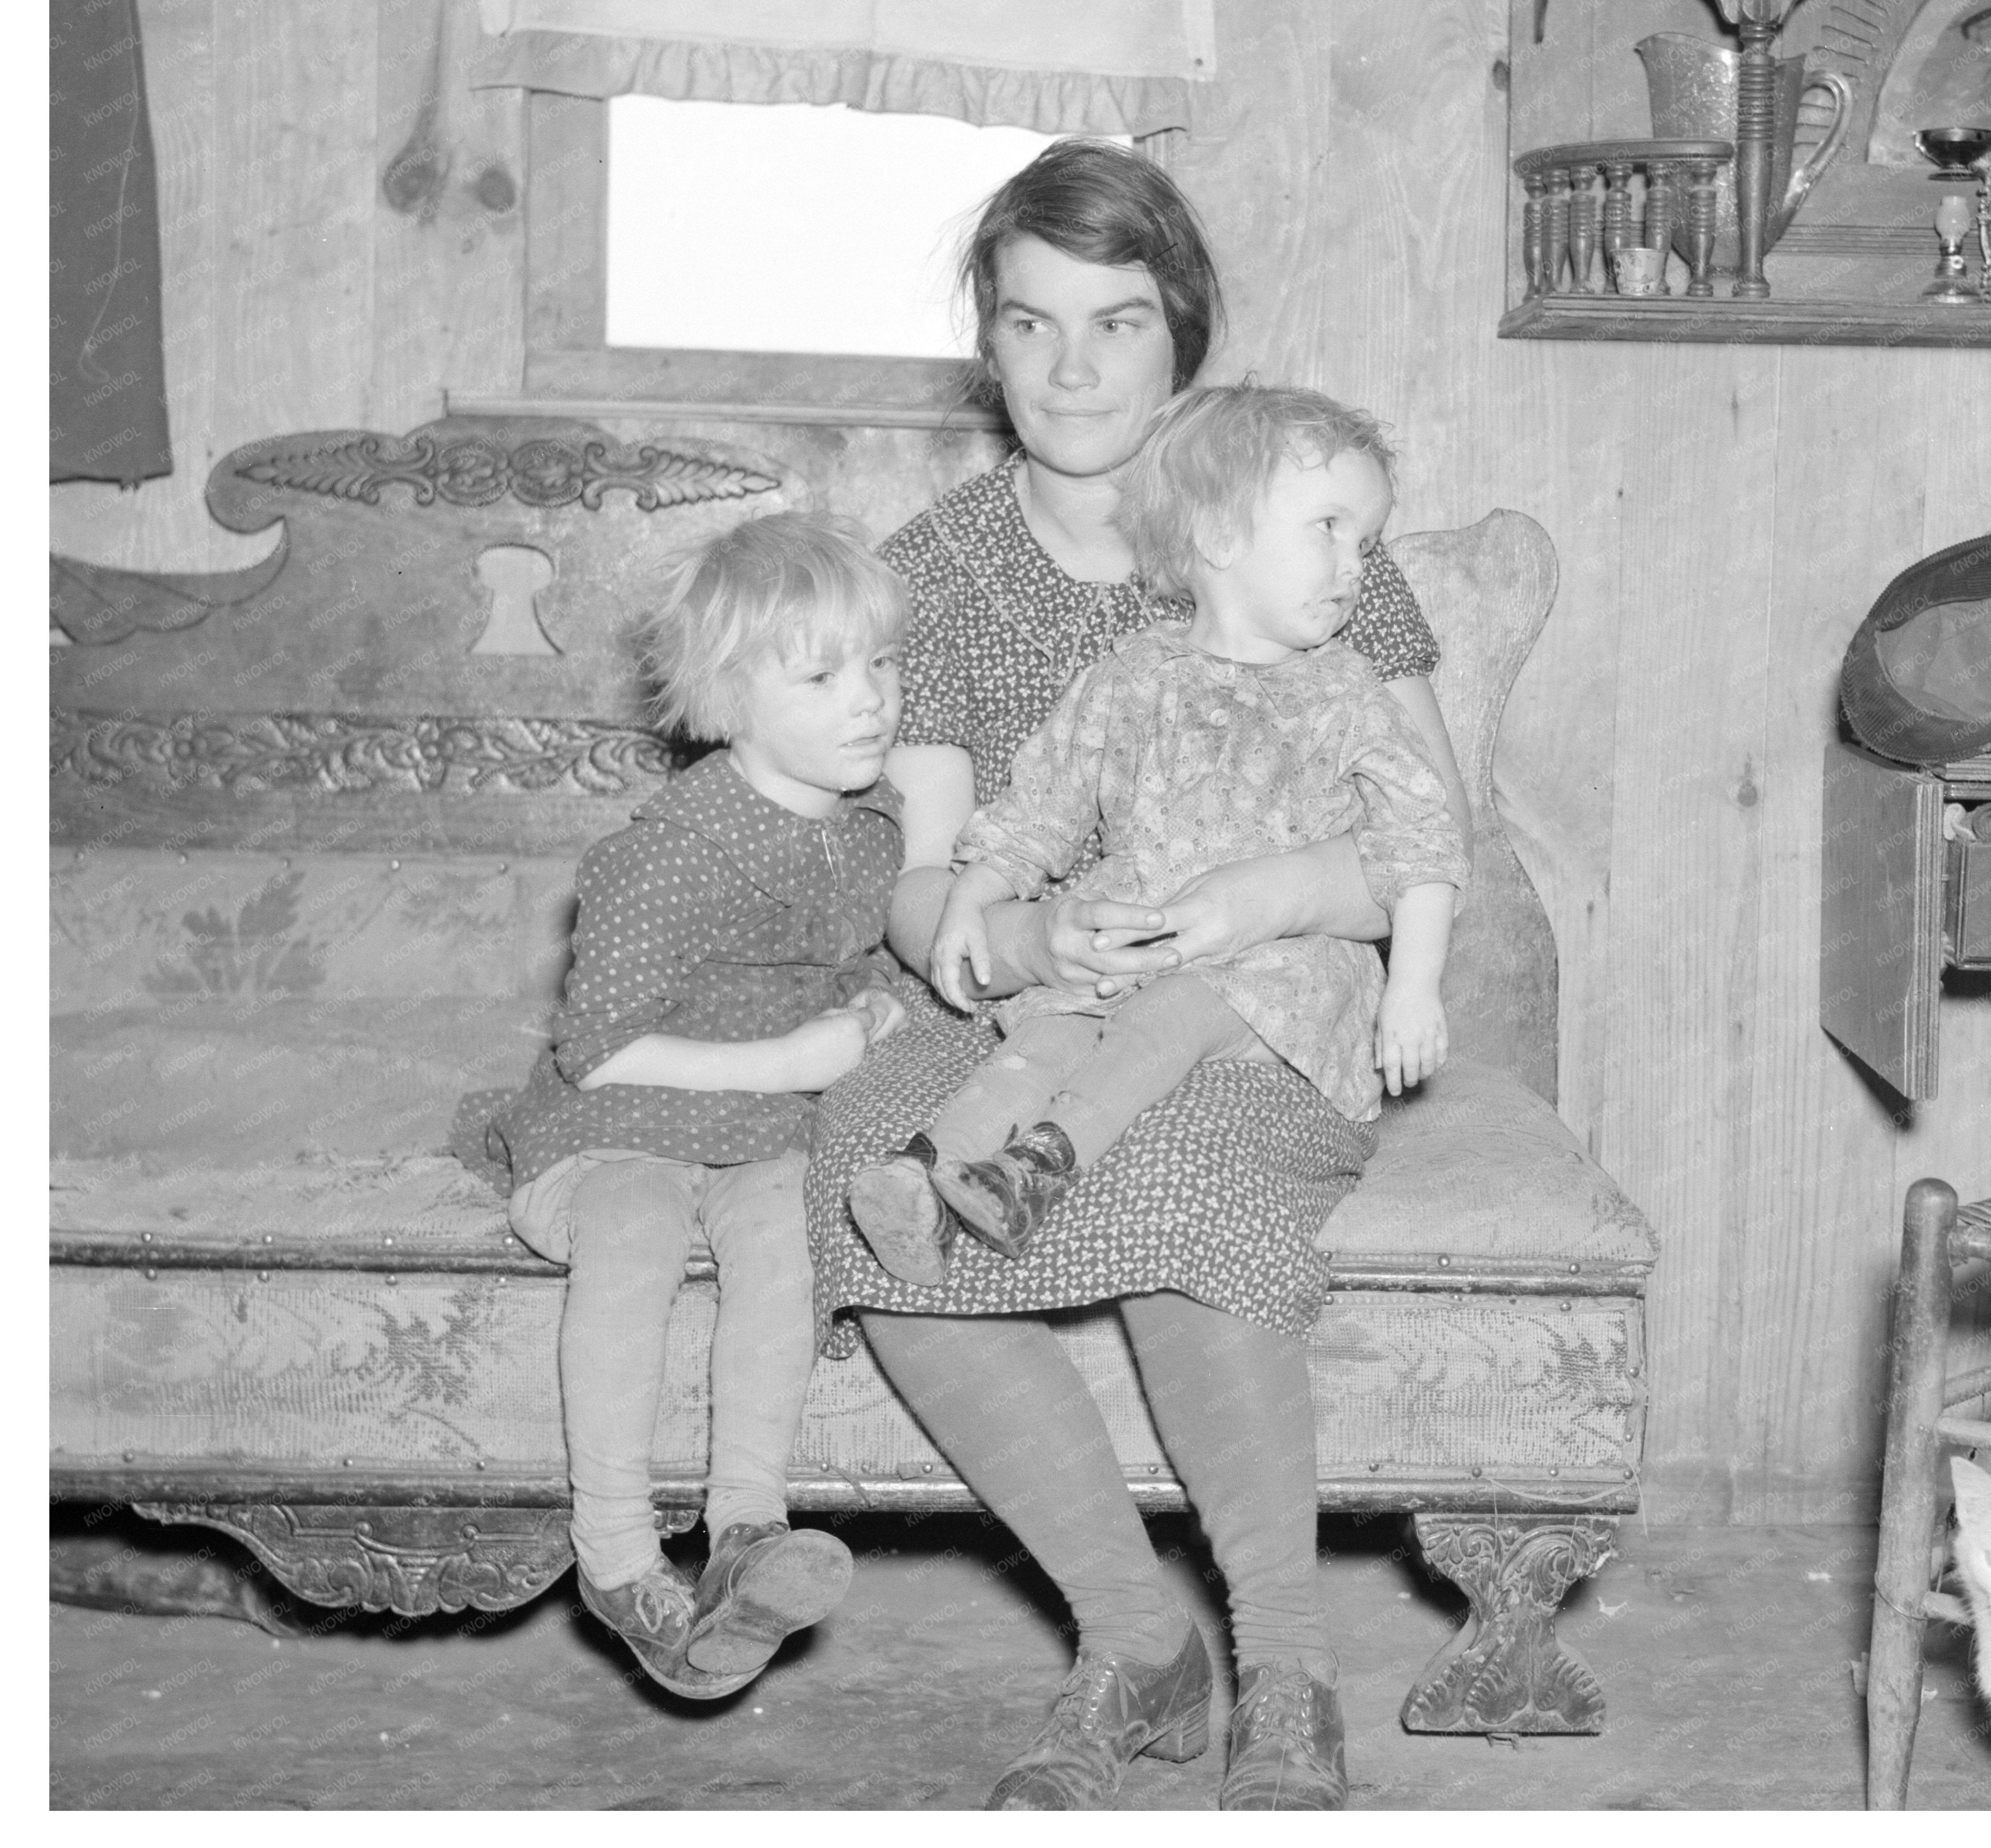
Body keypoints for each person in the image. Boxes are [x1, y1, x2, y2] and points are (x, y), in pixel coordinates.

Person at [803, 140, 1472, 1811]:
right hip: (1042, 999)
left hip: (1264, 1006)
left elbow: (1424, 850)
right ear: (990, 344)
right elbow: (931, 882)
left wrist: (1262, 901)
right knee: (863, 1175)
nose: (1077, 367)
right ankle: (1133, 1645)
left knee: (1184, 1181)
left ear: (1185, 333)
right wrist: (1019, 937)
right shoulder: (946, 563)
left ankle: (1288, 1675)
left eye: (1119, 321)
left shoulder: (1301, 518)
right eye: (1032, 326)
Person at [846, 385, 1466, 1282]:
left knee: (1170, 1015)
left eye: (1365, 541)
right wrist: (976, 898)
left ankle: (1036, 1173)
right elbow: (1041, 813)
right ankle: (924, 1175)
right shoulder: (1132, 675)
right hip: (1138, 940)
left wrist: (1415, 987)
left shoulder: (1348, 693)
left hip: (1283, 971)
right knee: (1050, 1031)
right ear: (1218, 536)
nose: (1354, 565)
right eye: (1327, 528)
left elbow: (1425, 841)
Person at [467, 513, 912, 1700]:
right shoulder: (664, 856)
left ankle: (747, 1535)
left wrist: (874, 1014)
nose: (870, 698)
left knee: (787, 1239)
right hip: (616, 1126)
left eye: (882, 662)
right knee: (638, 1233)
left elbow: (850, 962)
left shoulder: (869, 828)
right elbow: (597, 1053)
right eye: (823, 675)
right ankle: (616, 1553)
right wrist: (789, 1061)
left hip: (761, 1135)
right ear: (729, 697)